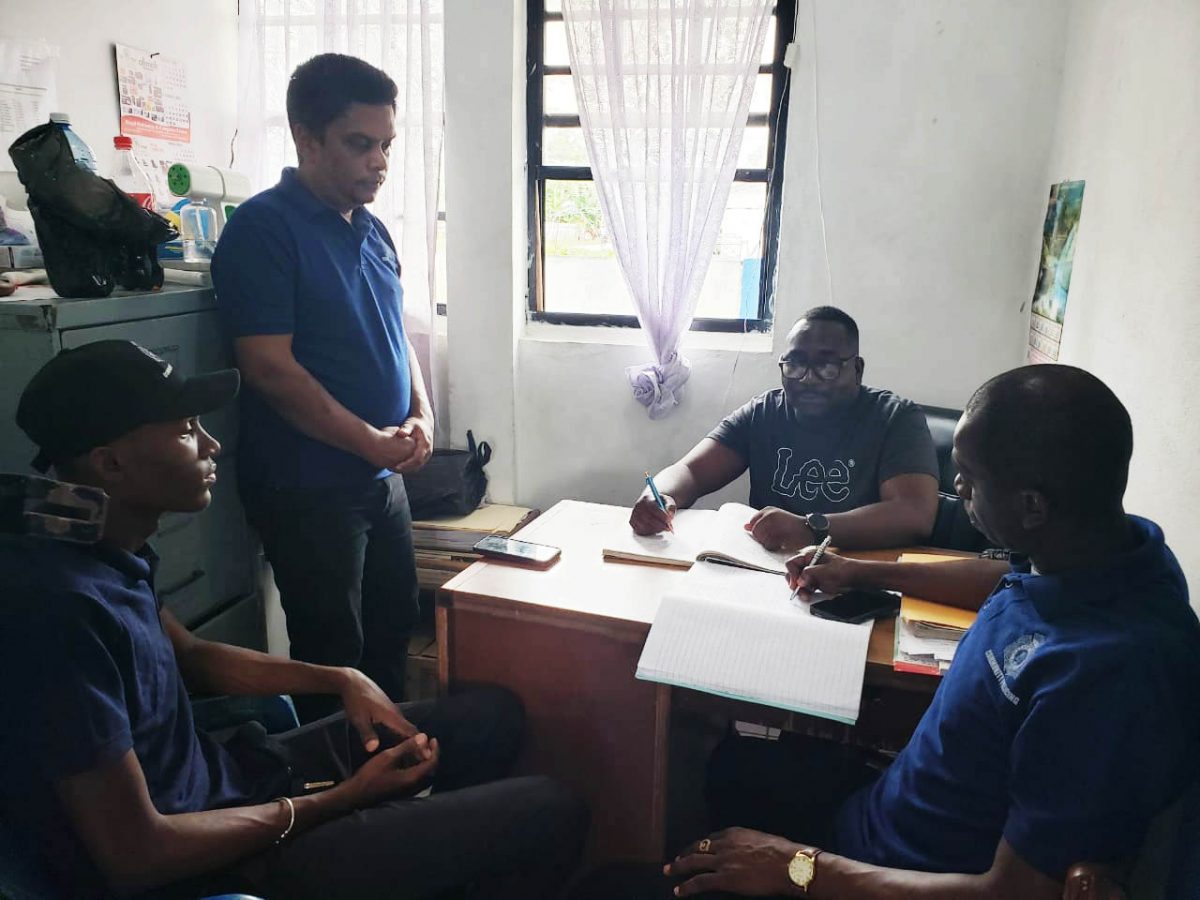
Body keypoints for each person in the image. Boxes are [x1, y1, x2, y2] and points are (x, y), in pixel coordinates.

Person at [0, 341, 587, 900]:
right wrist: (341, 801)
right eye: (185, 431)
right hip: (209, 861)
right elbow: (137, 854)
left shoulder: (112, 552)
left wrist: (339, 679)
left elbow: (193, 657)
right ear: (112, 464)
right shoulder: (59, 611)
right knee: (551, 806)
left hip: (232, 781)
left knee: (491, 717)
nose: (212, 447)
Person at [651, 364, 1200, 898]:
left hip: (901, 868)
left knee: (648, 877)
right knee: (717, 767)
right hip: (888, 806)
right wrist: (860, 571)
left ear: (1031, 506)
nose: (954, 486)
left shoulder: (1109, 677)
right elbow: (1008, 578)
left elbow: (1014, 891)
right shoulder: (1108, 551)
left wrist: (794, 868)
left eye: (968, 477)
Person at [212, 53, 431, 721]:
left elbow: (399, 337)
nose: (379, 162)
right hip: (309, 486)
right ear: (307, 139)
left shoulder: (372, 230)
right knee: (336, 658)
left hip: (380, 478)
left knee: (396, 631)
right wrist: (368, 441)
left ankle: (393, 782)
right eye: (359, 144)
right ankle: (337, 806)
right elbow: (270, 369)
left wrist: (421, 414)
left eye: (387, 145)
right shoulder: (263, 230)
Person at [629, 307, 940, 552]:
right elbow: (691, 471)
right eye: (795, 364)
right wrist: (658, 496)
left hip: (858, 574)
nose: (807, 378)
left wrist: (812, 528)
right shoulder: (765, 413)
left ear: (857, 370)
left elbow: (913, 514)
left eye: (827, 366)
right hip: (770, 570)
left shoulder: (895, 418)